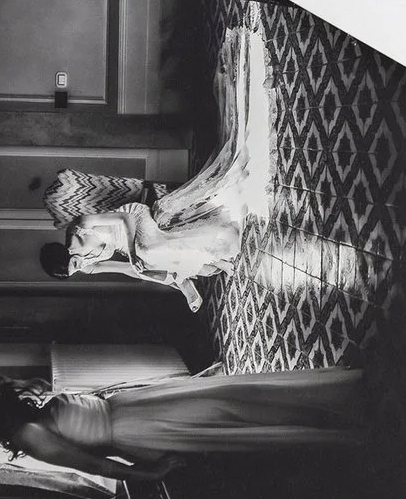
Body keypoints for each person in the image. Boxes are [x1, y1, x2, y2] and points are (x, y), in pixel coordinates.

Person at [37, 15, 271, 310]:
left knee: (146, 250)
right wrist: (163, 277)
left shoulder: (82, 226)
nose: (80, 262)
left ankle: (192, 278)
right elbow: (130, 270)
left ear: (66, 249)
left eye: (74, 259)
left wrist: (138, 254)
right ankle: (200, 274)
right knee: (145, 263)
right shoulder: (86, 267)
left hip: (133, 217)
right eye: (76, 269)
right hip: (135, 246)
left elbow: (122, 219)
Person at [0, 368, 369, 480]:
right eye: (1, 384)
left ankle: (330, 404)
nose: (8, 382)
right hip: (138, 431)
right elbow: (94, 465)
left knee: (228, 397)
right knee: (225, 416)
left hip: (132, 406)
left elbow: (48, 388)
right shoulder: (28, 436)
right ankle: (332, 426)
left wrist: (23, 384)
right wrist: (151, 473)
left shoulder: (30, 415)